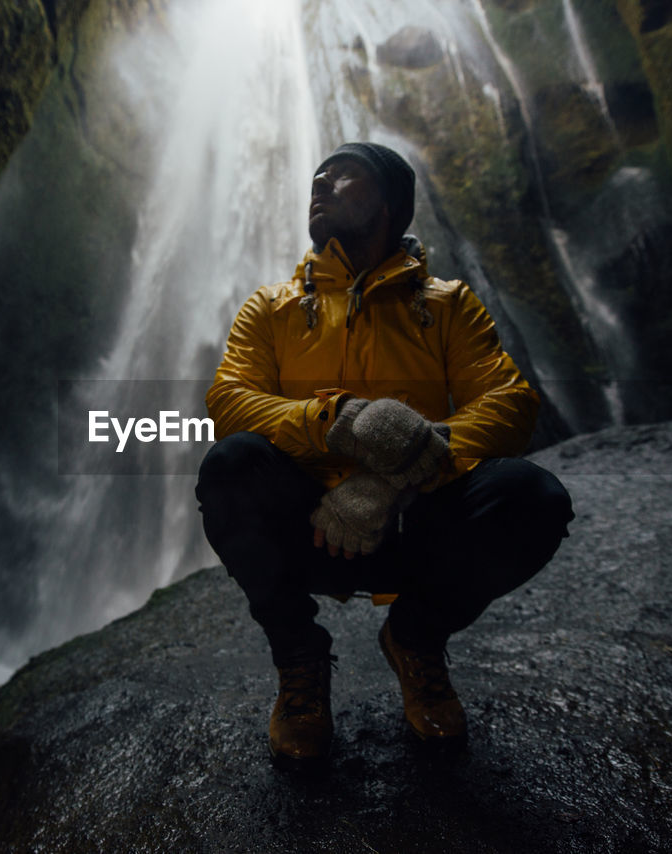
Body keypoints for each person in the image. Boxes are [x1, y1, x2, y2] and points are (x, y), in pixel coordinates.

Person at [195, 142, 573, 767]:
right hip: (314, 529)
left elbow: (511, 401)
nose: (321, 180)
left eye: (346, 175)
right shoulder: (270, 308)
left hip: (414, 526)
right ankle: (299, 661)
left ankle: (415, 638)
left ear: (393, 205)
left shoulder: (447, 304)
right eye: (319, 174)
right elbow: (228, 401)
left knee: (533, 497)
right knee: (232, 463)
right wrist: (340, 423)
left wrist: (407, 467)